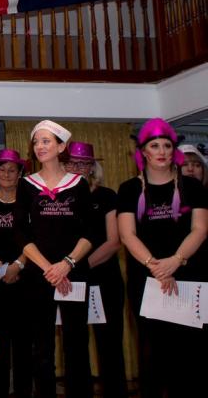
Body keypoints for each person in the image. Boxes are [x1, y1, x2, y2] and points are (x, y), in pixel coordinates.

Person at [117, 119, 208, 398]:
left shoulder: (192, 186)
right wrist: (157, 267)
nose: (162, 151)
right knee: (151, 351)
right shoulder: (129, 189)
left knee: (189, 352)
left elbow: (201, 229)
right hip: (147, 280)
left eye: (167, 145)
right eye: (154, 145)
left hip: (188, 276)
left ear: (174, 151)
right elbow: (128, 235)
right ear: (143, 151)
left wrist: (175, 261)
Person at [16, 120, 96, 398]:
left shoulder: (79, 184)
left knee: (76, 343)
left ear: (61, 146)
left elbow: (91, 232)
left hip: (73, 272)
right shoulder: (26, 185)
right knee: (42, 345)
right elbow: (21, 234)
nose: (39, 146)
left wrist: (67, 264)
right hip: (39, 275)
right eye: (36, 142)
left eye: (46, 141)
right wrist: (49, 268)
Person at [63, 140, 126, 398]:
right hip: (70, 281)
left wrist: (78, 265)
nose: (78, 167)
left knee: (110, 344)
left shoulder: (107, 195)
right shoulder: (60, 198)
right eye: (73, 163)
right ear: (65, 165)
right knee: (74, 345)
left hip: (105, 278)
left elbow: (114, 241)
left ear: (92, 167)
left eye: (84, 163)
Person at [0, 149, 31, 398]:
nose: (7, 174)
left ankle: (23, 391)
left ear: (20, 173)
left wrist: (18, 265)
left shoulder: (30, 202)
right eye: (2, 169)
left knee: (23, 343)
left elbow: (37, 239)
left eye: (13, 169)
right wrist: (0, 266)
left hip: (25, 280)